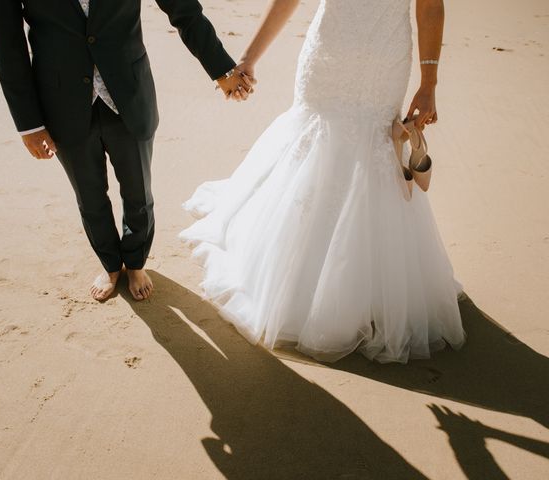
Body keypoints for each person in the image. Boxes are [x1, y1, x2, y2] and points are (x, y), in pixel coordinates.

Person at [180, 0, 467, 363]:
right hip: (327, 56)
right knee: (314, 142)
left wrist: (429, 83)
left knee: (372, 151)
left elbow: (429, 7)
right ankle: (293, 284)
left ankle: (363, 293)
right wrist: (250, 58)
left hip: (384, 62)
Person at [0, 0, 253, 302]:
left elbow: (183, 9)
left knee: (138, 191)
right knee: (89, 195)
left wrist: (221, 68)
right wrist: (29, 124)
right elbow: (8, 45)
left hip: (129, 91)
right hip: (61, 101)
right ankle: (110, 265)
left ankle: (136, 262)